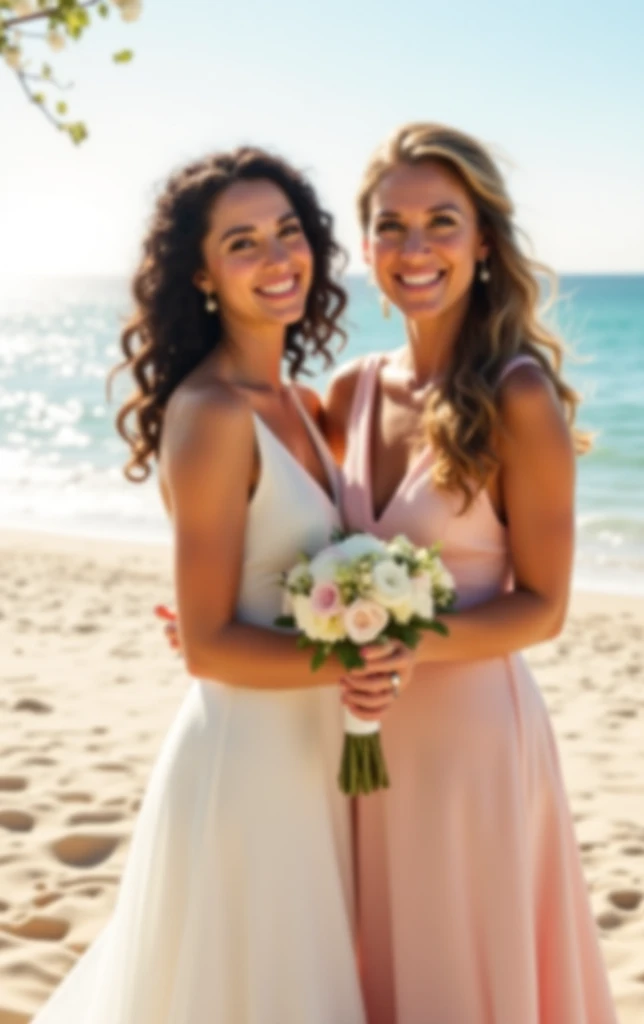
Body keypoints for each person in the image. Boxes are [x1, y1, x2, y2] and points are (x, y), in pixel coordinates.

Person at [32, 147, 411, 1024]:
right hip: (248, 760)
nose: (278, 259)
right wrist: (351, 663)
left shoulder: (301, 405)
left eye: (288, 232)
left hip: (315, 752)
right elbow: (206, 643)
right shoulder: (209, 414)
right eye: (243, 243)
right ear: (202, 276)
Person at [326, 122, 618, 1024]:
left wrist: (410, 648)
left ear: (484, 240)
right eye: (391, 225)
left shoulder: (519, 395)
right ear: (366, 243)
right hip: (354, 745)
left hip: (471, 745)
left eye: (441, 222)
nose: (415, 249)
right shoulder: (349, 392)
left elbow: (544, 608)